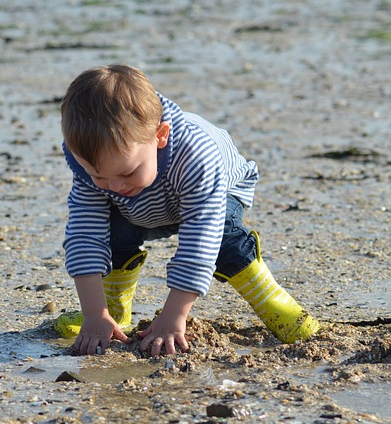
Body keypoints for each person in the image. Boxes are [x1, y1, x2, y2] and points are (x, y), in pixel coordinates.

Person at [54, 64, 319, 356]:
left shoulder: (196, 155)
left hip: (217, 190)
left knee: (224, 242)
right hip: (143, 205)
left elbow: (200, 239)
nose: (114, 186)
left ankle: (276, 305)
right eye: (99, 177)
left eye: (127, 173)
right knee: (109, 229)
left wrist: (173, 316)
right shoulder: (94, 168)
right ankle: (114, 312)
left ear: (160, 136)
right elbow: (84, 236)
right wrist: (93, 314)